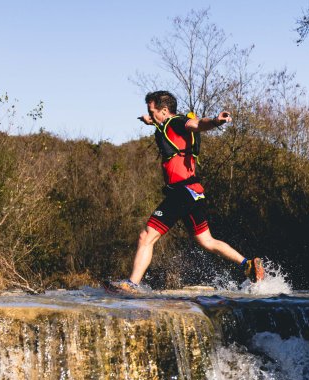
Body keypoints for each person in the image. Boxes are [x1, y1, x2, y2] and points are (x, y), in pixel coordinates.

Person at [107, 90, 263, 294]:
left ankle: (132, 284)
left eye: (152, 111)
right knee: (207, 241)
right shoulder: (168, 124)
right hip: (194, 192)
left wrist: (216, 121)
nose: (150, 114)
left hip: (181, 192)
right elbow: (164, 126)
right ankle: (247, 264)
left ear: (164, 110)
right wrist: (150, 121)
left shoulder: (178, 122)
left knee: (146, 236)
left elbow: (197, 124)